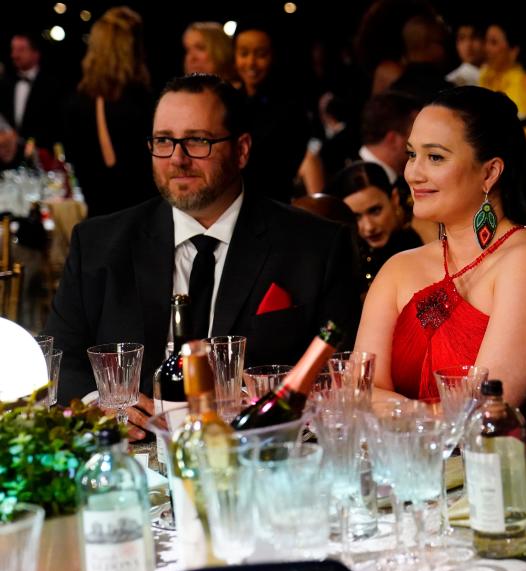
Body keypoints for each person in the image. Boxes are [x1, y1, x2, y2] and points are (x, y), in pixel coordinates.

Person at [45, 74, 360, 435]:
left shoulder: (315, 246)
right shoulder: (99, 243)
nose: (177, 159)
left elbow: (339, 372)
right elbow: (60, 358)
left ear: (241, 149)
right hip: (130, 460)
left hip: (256, 459)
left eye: (197, 141)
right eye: (164, 140)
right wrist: (95, 403)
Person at [353, 84, 526, 456]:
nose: (413, 173)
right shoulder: (400, 268)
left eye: (435, 157)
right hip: (415, 476)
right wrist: (418, 414)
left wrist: (394, 411)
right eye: (412, 154)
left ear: (490, 172)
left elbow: (479, 418)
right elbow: (358, 393)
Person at [62, 7, 156, 218]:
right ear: (133, 47)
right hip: (143, 220)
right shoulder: (143, 101)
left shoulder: (77, 102)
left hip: (97, 222)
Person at [233, 22, 312, 201]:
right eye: (244, 53)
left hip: (273, 203)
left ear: (274, 56)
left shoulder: (291, 106)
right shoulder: (230, 101)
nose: (251, 62)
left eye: (261, 54)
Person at [326, 161, 422, 292]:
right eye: (356, 217)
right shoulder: (345, 264)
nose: (369, 227)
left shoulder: (424, 238)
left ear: (394, 198)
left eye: (375, 211)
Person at [478, 20, 526, 159]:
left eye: (493, 42)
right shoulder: (482, 79)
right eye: (486, 41)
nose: (486, 48)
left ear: (513, 50)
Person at [0, 31, 63, 153]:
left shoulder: (52, 85)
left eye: (21, 50)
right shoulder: (5, 82)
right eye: (13, 50)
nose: (14, 55)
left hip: (42, 155)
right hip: (8, 157)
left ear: (36, 53)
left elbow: (56, 124)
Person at [445, 21, 484, 87]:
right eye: (461, 38)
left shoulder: (500, 74)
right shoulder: (452, 81)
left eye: (474, 37)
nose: (468, 45)